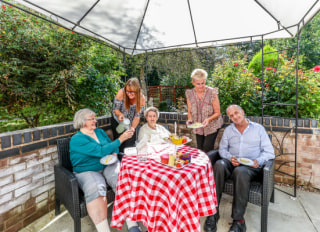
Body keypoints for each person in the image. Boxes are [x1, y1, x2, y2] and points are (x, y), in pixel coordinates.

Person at [204, 105, 275, 232]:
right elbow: (222, 149)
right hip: (233, 162)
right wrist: (230, 157)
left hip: (252, 166)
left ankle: (239, 221)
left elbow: (269, 153)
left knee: (240, 172)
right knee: (219, 165)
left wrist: (258, 161)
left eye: (236, 113)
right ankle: (213, 212)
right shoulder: (229, 130)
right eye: (231, 115)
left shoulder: (258, 129)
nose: (235, 117)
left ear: (243, 112)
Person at [69, 108, 141, 232]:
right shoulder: (77, 139)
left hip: (108, 164)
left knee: (122, 180)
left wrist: (114, 154)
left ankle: (132, 224)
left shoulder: (100, 132)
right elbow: (101, 151)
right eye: (92, 119)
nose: (95, 121)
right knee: (95, 188)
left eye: (94, 118)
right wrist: (121, 139)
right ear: (82, 121)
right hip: (88, 170)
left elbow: (111, 145)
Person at [185, 68, 223, 152]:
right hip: (198, 125)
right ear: (193, 82)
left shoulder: (212, 92)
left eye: (203, 83)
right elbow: (190, 111)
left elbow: (217, 112)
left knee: (207, 148)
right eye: (198, 84)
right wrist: (190, 120)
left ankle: (209, 164)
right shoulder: (189, 94)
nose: (201, 86)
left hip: (212, 125)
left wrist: (208, 119)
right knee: (200, 148)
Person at [112, 77, 146, 151]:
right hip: (118, 120)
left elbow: (137, 116)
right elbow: (116, 109)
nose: (129, 94)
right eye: (127, 91)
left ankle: (128, 158)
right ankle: (119, 158)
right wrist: (120, 115)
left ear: (137, 90)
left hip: (131, 121)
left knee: (130, 139)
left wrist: (132, 128)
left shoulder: (141, 98)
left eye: (132, 92)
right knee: (120, 141)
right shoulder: (121, 92)